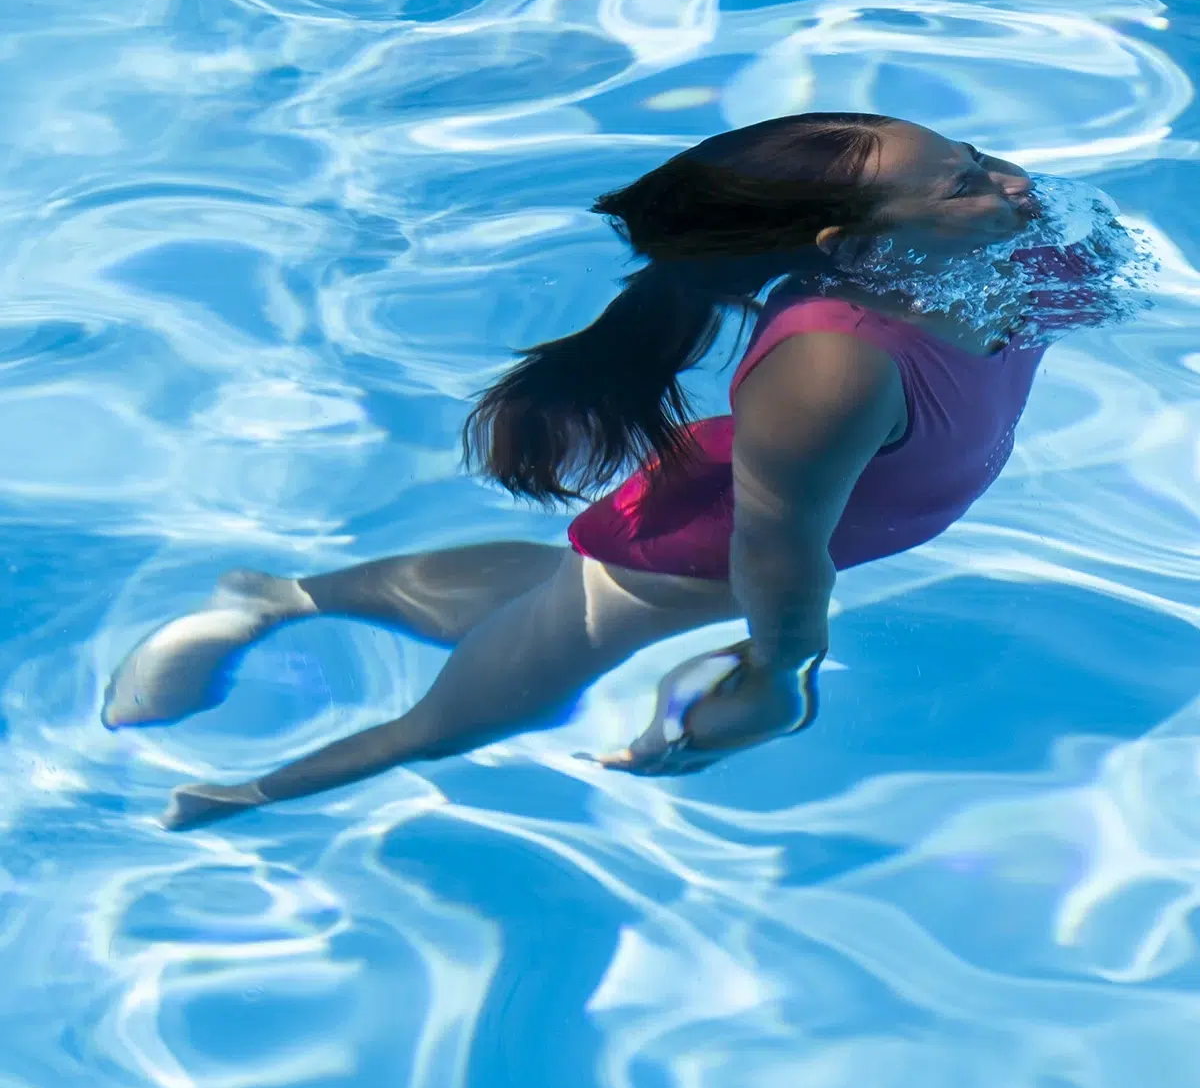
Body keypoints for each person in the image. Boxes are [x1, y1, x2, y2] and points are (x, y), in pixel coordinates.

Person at [103, 113, 1064, 831]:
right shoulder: (835, 365)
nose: (1014, 184)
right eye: (964, 184)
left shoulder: (986, 253)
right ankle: (211, 800)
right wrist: (781, 672)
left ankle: (275, 596)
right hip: (687, 560)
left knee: (564, 589)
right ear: (854, 249)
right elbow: (778, 550)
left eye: (977, 158)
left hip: (731, 505)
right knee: (450, 727)